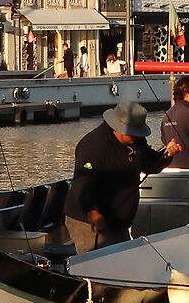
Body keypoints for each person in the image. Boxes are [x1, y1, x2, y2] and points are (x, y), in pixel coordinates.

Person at [62, 102, 175, 254]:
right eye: (132, 133)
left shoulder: (137, 140)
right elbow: (83, 184)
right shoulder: (93, 146)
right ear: (116, 128)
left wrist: (167, 155)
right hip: (88, 220)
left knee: (121, 257)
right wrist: (92, 211)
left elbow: (150, 165)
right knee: (98, 261)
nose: (136, 137)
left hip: (118, 221)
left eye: (138, 133)